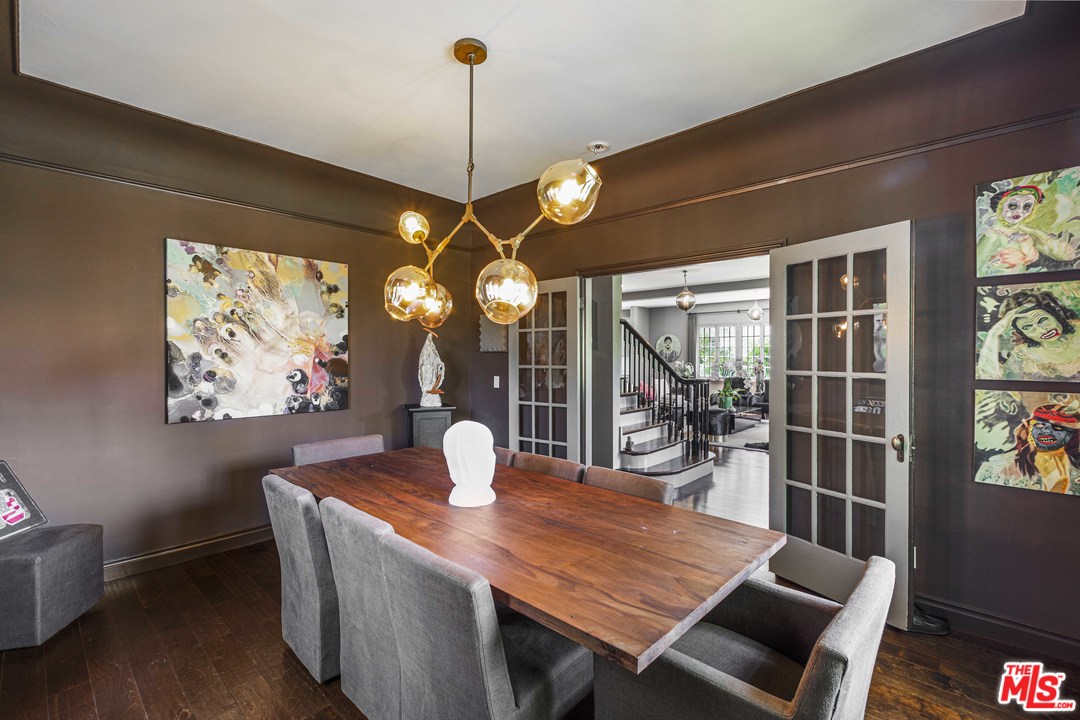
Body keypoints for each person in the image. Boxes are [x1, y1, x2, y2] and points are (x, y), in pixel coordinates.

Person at [977, 182, 1080, 275]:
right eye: (1013, 205)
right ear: (1000, 206)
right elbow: (975, 268)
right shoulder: (993, 235)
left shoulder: (1027, 232)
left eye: (1026, 207)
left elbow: (1060, 253)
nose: (1020, 211)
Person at [976, 289, 1080, 381]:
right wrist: (993, 334)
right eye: (1027, 327)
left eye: (1042, 320)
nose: (1041, 330)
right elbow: (988, 378)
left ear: (1055, 314)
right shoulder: (1024, 355)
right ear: (1022, 333)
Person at [976, 403, 1080, 494]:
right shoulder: (995, 468)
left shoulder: (1076, 468)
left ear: (1072, 435)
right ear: (1028, 427)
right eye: (1039, 425)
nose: (1046, 431)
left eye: (1058, 427)